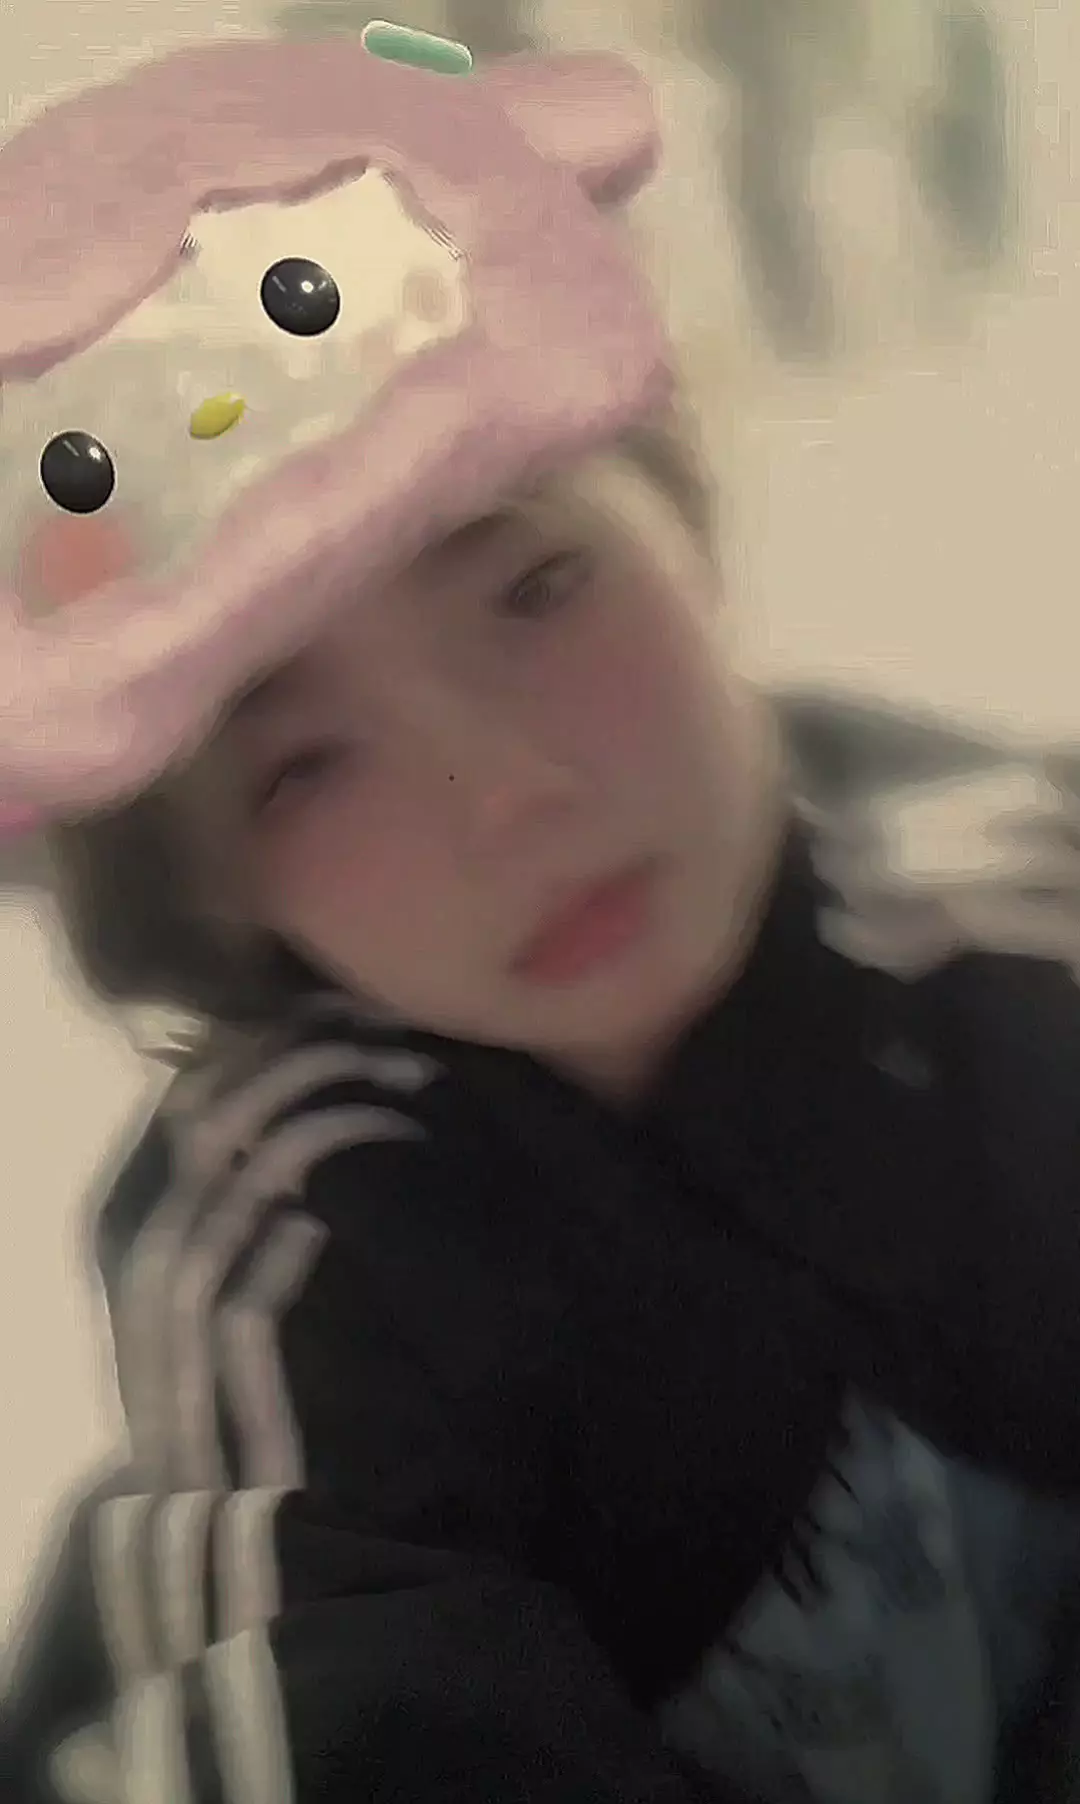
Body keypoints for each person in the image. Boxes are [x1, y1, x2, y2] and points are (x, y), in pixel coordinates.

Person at [3, 29, 1080, 1804]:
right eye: (301, 767)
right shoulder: (299, 1239)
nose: (503, 795)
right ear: (217, 899)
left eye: (539, 585)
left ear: (687, 517)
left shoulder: (1003, 906)